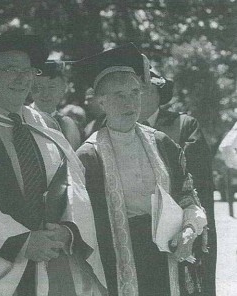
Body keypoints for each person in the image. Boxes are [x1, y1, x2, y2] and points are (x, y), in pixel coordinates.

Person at [0, 30, 107, 296]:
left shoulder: (47, 125)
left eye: (29, 70)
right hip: (1, 272)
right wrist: (21, 242)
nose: (23, 78)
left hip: (58, 265)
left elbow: (74, 184)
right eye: (11, 69)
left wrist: (68, 231)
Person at [76, 43, 208, 296]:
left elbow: (188, 195)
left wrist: (190, 228)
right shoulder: (89, 156)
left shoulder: (162, 143)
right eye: (119, 95)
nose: (130, 102)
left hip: (167, 250)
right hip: (118, 255)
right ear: (101, 102)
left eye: (135, 92)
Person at [139, 70, 217, 295]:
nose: (138, 96)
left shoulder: (184, 124)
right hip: (143, 227)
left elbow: (194, 177)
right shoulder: (121, 129)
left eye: (144, 90)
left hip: (182, 224)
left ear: (158, 93)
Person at [30, 61, 83, 150]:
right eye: (39, 87)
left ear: (63, 89)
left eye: (52, 87)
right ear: (30, 89)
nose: (45, 94)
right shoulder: (21, 119)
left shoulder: (68, 125)